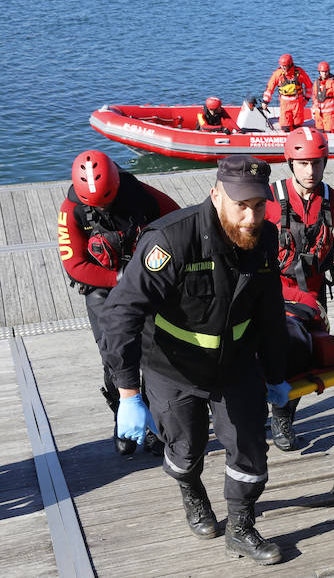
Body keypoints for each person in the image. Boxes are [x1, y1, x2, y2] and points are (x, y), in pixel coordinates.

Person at [98, 156, 293, 565]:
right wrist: (129, 393)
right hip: (173, 367)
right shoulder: (169, 240)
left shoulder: (266, 238)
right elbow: (120, 315)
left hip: (235, 365)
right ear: (216, 195)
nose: (250, 216)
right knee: (185, 450)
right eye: (241, 205)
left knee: (251, 452)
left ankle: (241, 527)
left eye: (259, 205)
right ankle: (191, 489)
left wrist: (277, 376)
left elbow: (271, 313)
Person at [58, 150, 179, 456]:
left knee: (153, 349)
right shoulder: (71, 211)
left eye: (107, 200)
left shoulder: (143, 196)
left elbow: (178, 222)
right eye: (95, 204)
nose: (102, 207)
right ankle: (122, 416)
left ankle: (154, 420)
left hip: (143, 280)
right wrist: (118, 278)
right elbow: (74, 265)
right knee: (114, 353)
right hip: (102, 285)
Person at [264, 126, 334, 451]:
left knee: (312, 357)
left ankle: (283, 416)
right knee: (287, 350)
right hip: (273, 295)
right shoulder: (266, 199)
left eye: (317, 163)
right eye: (303, 163)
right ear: (290, 163)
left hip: (314, 300)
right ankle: (275, 416)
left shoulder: (333, 203)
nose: (310, 171)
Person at [261, 54, 312, 132]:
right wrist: (265, 101)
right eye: (282, 66)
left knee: (297, 125)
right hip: (285, 103)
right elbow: (270, 88)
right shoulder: (278, 74)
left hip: (297, 103)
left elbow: (309, 85)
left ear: (290, 64)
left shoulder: (299, 73)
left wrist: (306, 99)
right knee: (285, 127)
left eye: (285, 66)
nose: (283, 68)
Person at [311, 61, 334, 133]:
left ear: (328, 72)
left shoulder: (333, 83)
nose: (324, 74)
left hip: (329, 115)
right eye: (322, 72)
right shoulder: (316, 83)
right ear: (319, 72)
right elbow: (314, 98)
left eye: (326, 72)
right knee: (319, 132)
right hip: (318, 114)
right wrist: (314, 111)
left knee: (328, 133)